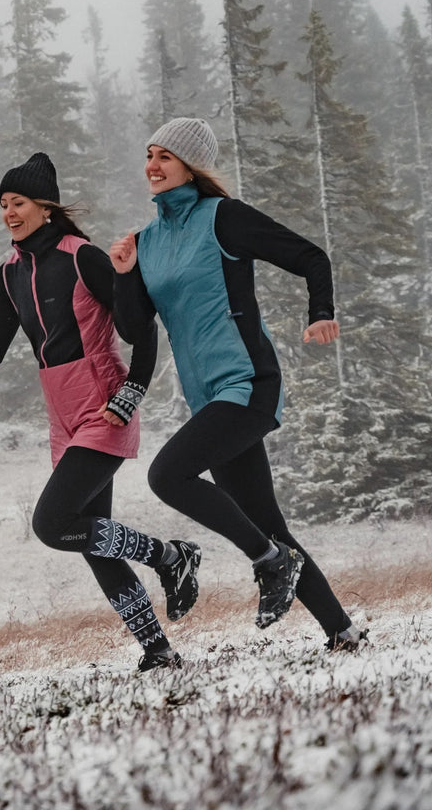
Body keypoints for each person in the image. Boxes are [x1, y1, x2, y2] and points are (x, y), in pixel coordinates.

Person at [0, 152, 202, 672]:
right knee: (93, 537)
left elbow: (142, 328)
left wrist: (131, 392)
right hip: (62, 414)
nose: (8, 212)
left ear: (45, 207)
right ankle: (158, 652)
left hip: (104, 404)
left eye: (18, 202)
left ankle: (170, 556)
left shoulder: (83, 257)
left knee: (53, 524)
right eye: (3, 204)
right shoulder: (8, 274)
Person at [109, 117, 366, 651]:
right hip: (209, 397)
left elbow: (309, 257)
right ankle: (341, 631)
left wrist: (321, 311)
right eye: (149, 155)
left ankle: (270, 564)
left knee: (167, 475)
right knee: (268, 522)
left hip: (248, 383)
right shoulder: (146, 241)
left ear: (190, 167)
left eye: (165, 157)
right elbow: (135, 329)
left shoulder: (222, 217)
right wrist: (125, 272)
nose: (152, 166)